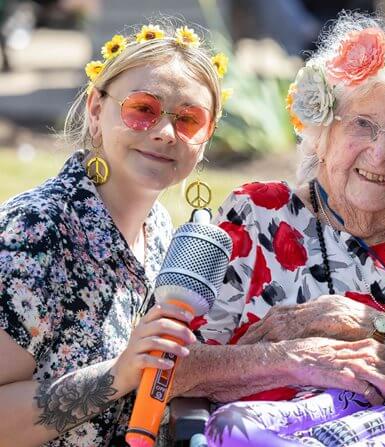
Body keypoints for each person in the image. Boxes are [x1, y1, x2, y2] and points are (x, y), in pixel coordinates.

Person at [171, 11, 385, 444]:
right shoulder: (258, 213)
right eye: (362, 124)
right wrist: (292, 359)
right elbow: (172, 367)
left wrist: (363, 323)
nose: (379, 153)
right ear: (325, 130)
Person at [0, 21, 229, 446]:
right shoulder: (35, 231)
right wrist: (118, 374)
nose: (164, 133)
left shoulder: (160, 228)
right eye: (142, 109)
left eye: (188, 119)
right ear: (95, 110)